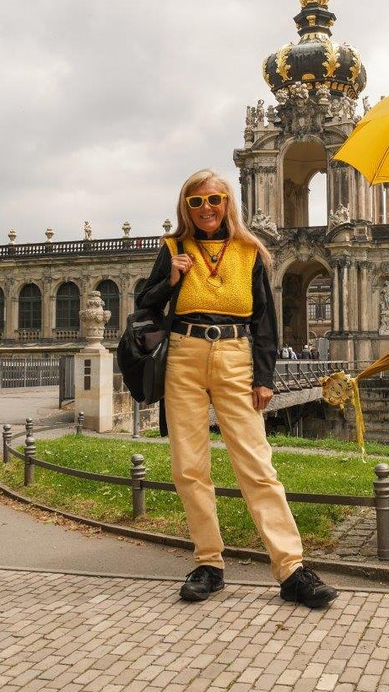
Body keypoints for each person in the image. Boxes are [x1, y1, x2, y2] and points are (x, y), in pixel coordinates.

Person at [136, 169, 338, 609]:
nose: (206, 208)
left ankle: (291, 568)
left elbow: (265, 321)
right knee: (189, 467)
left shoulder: (250, 251)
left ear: (229, 203)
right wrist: (169, 279)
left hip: (235, 356)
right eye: (196, 202)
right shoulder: (172, 248)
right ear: (184, 208)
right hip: (185, 356)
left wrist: (264, 378)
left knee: (257, 464)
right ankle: (209, 563)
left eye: (214, 200)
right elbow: (144, 307)